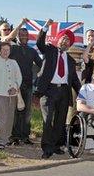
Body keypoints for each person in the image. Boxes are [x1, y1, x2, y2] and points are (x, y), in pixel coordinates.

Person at [35, 19, 81, 159]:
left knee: (60, 121)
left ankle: (56, 146)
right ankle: (47, 148)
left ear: (70, 45)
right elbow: (39, 43)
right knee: (48, 120)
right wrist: (45, 27)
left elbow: (74, 80)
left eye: (68, 40)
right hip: (48, 91)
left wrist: (83, 93)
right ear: (58, 39)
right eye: (63, 38)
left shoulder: (71, 61)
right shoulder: (49, 50)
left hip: (63, 92)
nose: (65, 41)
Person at [0, 21, 22, 149]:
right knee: (3, 118)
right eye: (3, 50)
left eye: (7, 50)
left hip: (12, 94)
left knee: (10, 118)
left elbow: (18, 77)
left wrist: (15, 87)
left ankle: (7, 138)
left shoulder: (13, 62)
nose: (5, 52)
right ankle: (1, 141)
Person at [9, 26, 43, 145]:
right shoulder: (12, 48)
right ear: (17, 36)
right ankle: (14, 137)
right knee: (15, 112)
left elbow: (41, 64)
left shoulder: (32, 51)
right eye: (21, 34)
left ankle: (25, 136)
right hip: (14, 85)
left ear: (28, 37)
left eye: (25, 35)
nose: (23, 36)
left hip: (28, 85)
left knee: (27, 112)